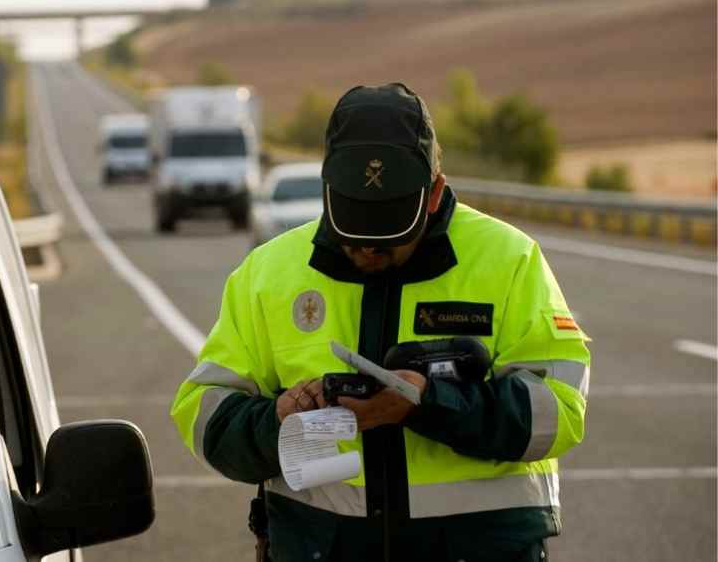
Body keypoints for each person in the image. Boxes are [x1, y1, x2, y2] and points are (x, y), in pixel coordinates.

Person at [170, 83, 590, 562]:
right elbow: (204, 416)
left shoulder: (510, 260)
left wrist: (429, 403)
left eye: (389, 231)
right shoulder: (266, 274)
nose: (369, 248)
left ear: (434, 194)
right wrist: (277, 421)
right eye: (354, 226)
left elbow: (560, 414)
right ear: (328, 189)